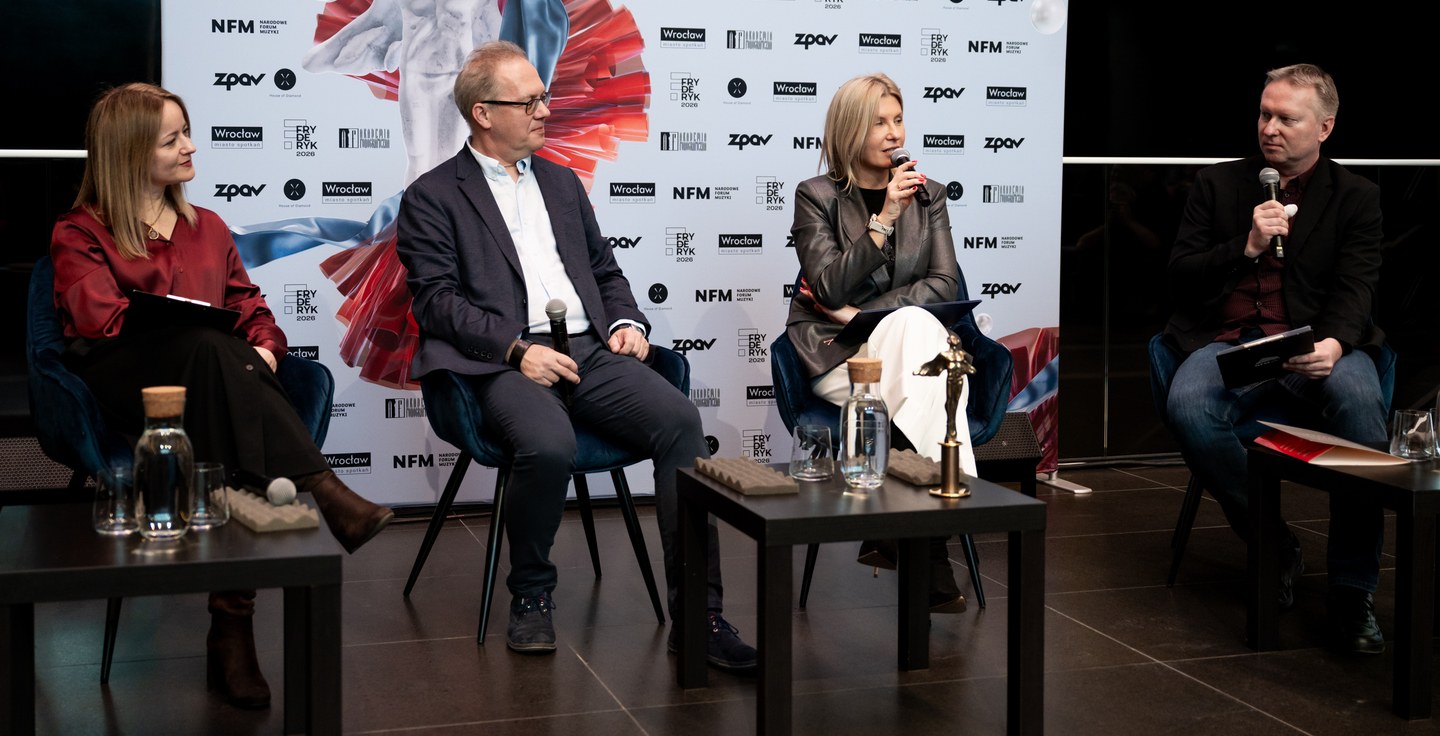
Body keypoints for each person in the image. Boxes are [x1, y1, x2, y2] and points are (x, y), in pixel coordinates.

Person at [395, 41, 756, 669]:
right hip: (506, 361)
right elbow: (437, 303)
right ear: (483, 113)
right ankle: (532, 594)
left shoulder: (561, 182)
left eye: (544, 97)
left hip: (590, 350)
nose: (545, 110)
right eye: (530, 101)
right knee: (548, 443)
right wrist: (516, 351)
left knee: (680, 422)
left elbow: (603, 269)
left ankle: (700, 616)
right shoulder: (433, 195)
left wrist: (626, 321)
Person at [51, 83, 395, 709]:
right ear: (130, 152)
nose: (190, 146)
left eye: (187, 131)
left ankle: (231, 626)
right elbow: (101, 322)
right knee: (210, 347)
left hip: (212, 384)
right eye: (172, 139)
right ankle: (318, 491)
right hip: (124, 386)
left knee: (223, 367)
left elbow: (249, 307)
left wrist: (263, 350)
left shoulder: (205, 226)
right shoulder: (79, 232)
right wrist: (206, 340)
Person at [1162, 63, 1386, 654]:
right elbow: (1180, 276)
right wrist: (1245, 247)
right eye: (1264, 114)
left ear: (1325, 127)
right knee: (1188, 407)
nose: (1270, 128)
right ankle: (1274, 542)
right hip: (1232, 342)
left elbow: (1357, 287)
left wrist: (1334, 344)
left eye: (1287, 118)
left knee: (1363, 411)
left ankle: (1352, 589)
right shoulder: (1216, 185)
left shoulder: (1357, 197)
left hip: (1317, 343)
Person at [785, 72, 969, 611]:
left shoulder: (930, 195)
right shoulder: (816, 196)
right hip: (840, 352)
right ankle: (937, 534)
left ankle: (903, 535)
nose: (894, 134)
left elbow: (945, 284)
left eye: (898, 120)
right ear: (849, 131)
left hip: (895, 345)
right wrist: (884, 218)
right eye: (879, 123)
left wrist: (865, 314)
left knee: (915, 333)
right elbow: (827, 287)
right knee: (928, 361)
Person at [303, 0, 501, 186]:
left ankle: (452, 214)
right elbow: (371, 22)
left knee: (453, 157)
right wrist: (326, 52)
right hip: (416, 79)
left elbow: (495, 40)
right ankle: (416, 214)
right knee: (418, 158)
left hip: (458, 80)